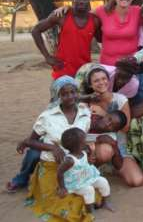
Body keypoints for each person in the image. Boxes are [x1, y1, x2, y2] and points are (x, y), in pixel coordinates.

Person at [22, 76, 95, 221]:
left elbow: (82, 139)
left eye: (73, 92)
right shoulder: (47, 116)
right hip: (52, 167)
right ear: (57, 96)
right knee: (63, 206)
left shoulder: (85, 113)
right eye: (64, 94)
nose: (70, 97)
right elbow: (30, 141)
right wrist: (52, 148)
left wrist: (88, 151)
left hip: (75, 169)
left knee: (90, 197)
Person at [82, 65, 143, 187]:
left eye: (104, 78)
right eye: (96, 80)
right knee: (106, 151)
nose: (101, 83)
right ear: (90, 85)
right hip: (96, 146)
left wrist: (104, 113)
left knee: (137, 180)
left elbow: (125, 128)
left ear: (109, 80)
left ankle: (111, 167)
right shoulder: (86, 103)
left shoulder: (120, 99)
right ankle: (94, 169)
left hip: (119, 145)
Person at [32, 0, 101, 79]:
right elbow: (36, 30)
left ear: (89, 0)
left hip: (84, 72)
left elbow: (101, 39)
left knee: (83, 94)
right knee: (62, 93)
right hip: (62, 70)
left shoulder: (94, 21)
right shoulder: (61, 16)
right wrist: (47, 57)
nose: (81, 1)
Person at [57, 128, 113, 214]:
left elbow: (86, 163)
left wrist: (92, 152)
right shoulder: (70, 160)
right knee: (89, 190)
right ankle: (90, 211)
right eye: (84, 140)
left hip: (87, 177)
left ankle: (104, 203)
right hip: (76, 183)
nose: (86, 141)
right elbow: (60, 172)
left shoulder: (84, 152)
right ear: (78, 145)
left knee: (103, 181)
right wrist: (62, 187)